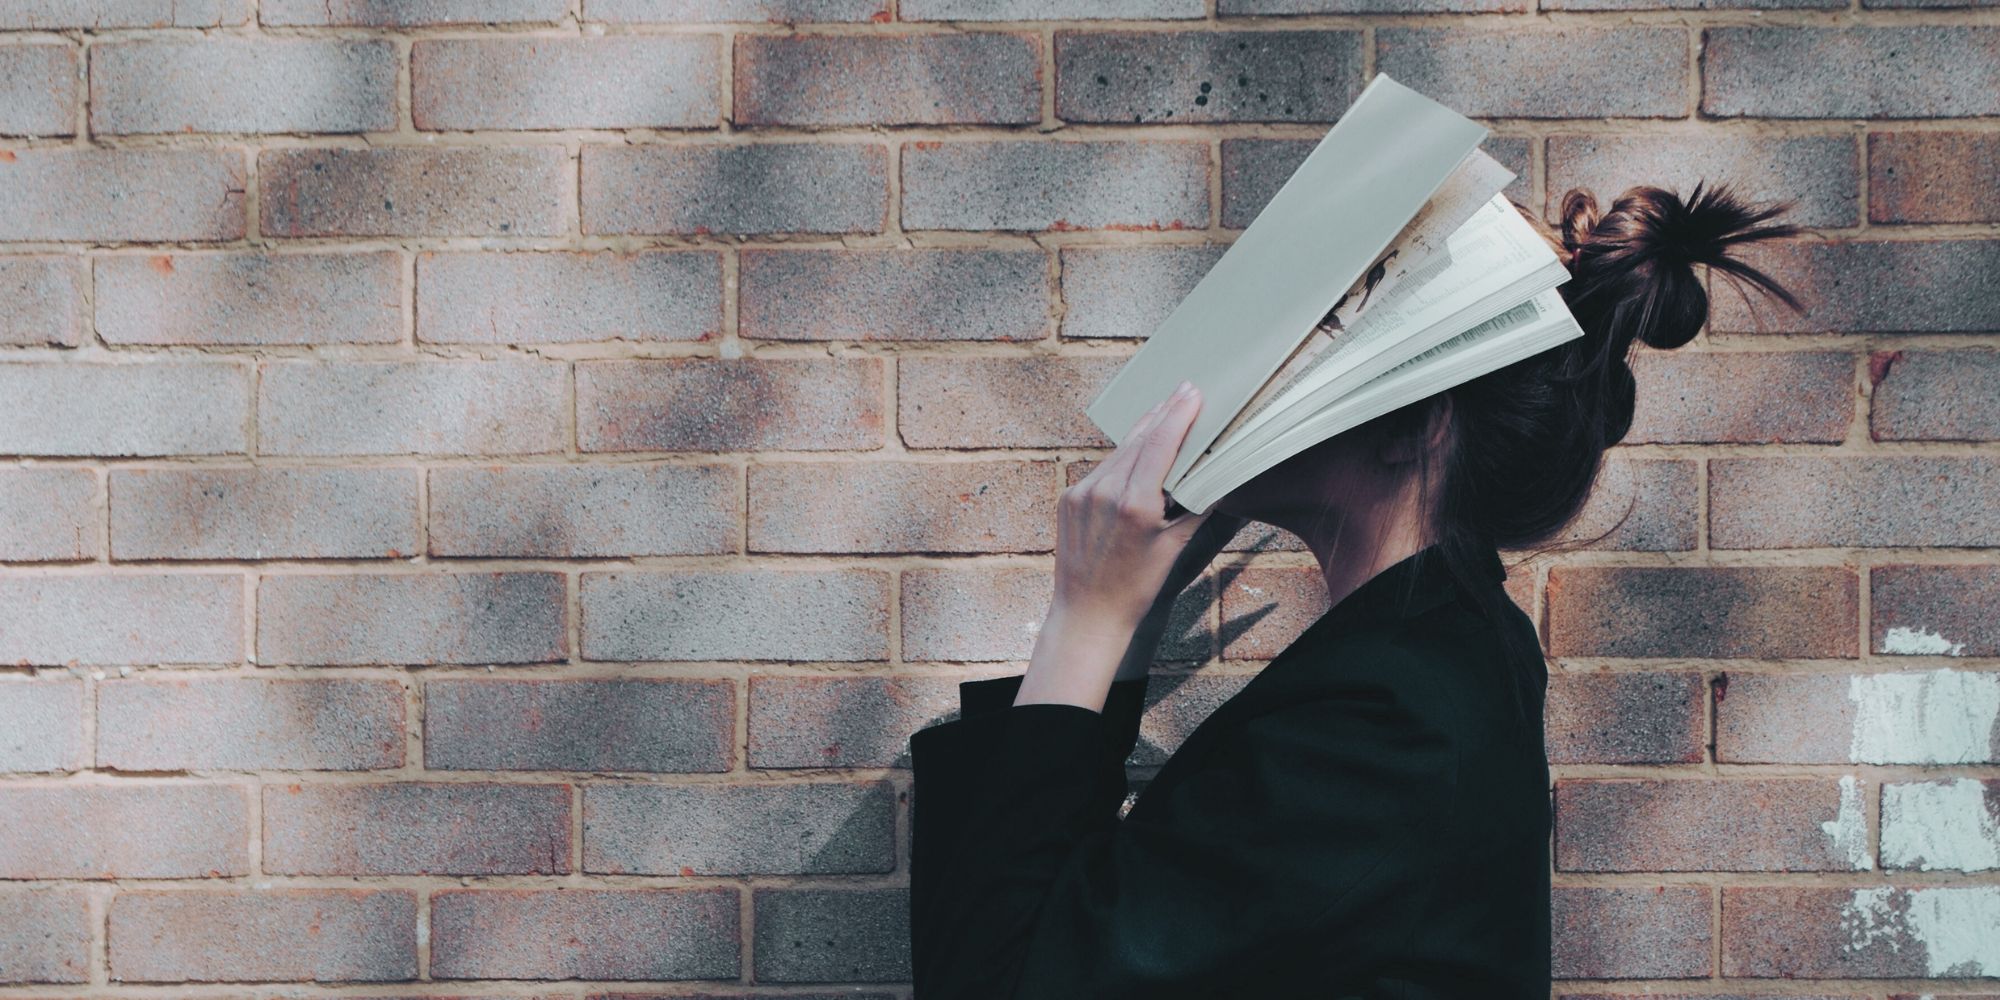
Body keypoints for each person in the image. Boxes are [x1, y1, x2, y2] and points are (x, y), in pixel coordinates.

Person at [906, 180, 1806, 999]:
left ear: (1414, 427)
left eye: (1324, 338)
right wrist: (1133, 610)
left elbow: (1000, 979)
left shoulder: (1392, 720)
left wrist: (1085, 614)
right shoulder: (1434, 657)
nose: (1265, 368)